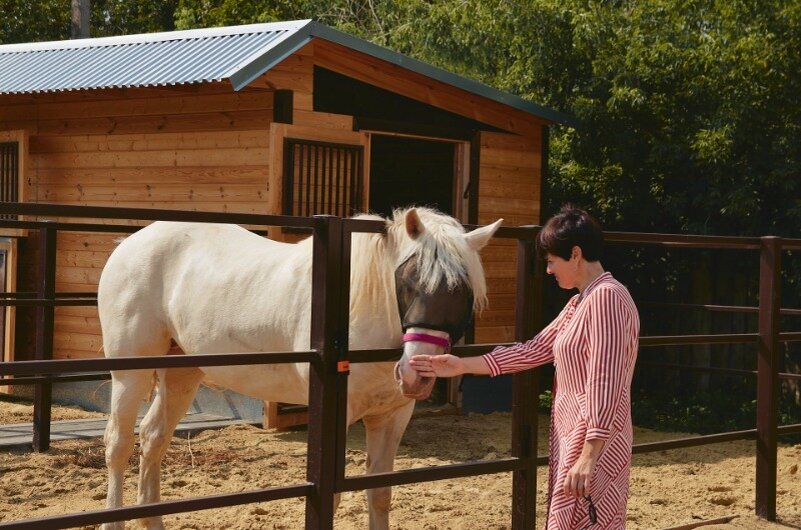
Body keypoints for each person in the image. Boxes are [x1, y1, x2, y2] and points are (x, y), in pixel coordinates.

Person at [410, 205, 639, 529]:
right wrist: (461, 365)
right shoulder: (580, 302)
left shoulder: (607, 299)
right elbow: (533, 350)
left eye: (551, 262)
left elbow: (606, 380)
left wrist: (590, 454)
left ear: (575, 254)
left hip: (593, 442)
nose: (548, 271)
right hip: (574, 436)